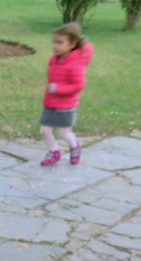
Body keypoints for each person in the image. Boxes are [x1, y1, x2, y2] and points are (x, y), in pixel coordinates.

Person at [39, 22, 94, 166]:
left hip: (66, 106)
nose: (55, 46)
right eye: (54, 42)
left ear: (72, 44)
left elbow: (78, 85)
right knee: (44, 131)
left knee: (63, 134)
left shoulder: (75, 64)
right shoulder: (54, 60)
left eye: (60, 42)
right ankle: (54, 151)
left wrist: (57, 89)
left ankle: (74, 146)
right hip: (50, 103)